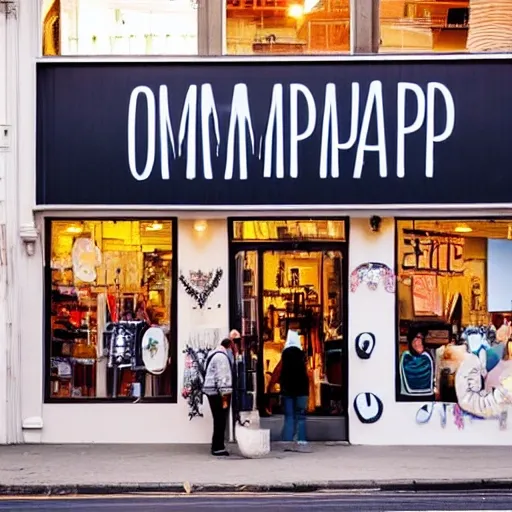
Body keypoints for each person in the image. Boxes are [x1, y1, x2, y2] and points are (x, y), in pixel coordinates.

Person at [279, 330, 310, 452]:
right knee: (301, 416)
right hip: (302, 390)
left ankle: (287, 441)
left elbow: (280, 370)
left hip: (287, 390)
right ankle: (301, 440)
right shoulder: (302, 355)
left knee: (289, 416)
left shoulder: (285, 354)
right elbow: (305, 372)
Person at [203, 338, 234, 456]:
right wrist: (226, 396)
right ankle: (218, 447)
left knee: (218, 418)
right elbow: (223, 377)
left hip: (211, 391)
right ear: (229, 347)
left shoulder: (213, 354)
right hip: (220, 393)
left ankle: (217, 445)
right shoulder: (222, 357)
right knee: (221, 418)